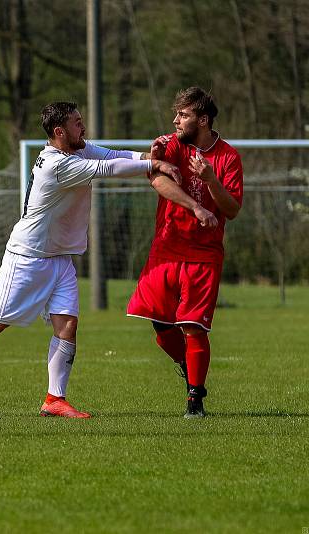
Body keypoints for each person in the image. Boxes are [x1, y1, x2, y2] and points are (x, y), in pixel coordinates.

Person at [0, 101, 214, 418]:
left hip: (59, 259)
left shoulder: (77, 150)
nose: (82, 128)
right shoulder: (57, 165)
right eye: (77, 123)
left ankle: (55, 399)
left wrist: (149, 159)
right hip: (28, 258)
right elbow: (105, 169)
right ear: (59, 132)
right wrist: (154, 166)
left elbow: (113, 156)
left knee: (67, 325)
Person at [127, 87, 241, 418]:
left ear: (203, 120)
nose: (176, 120)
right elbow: (158, 181)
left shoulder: (228, 158)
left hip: (204, 253)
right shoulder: (172, 145)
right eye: (176, 114)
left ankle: (196, 397)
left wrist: (210, 181)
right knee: (160, 325)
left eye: (184, 115)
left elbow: (232, 209)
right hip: (166, 248)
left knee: (193, 326)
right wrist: (195, 207)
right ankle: (187, 366)